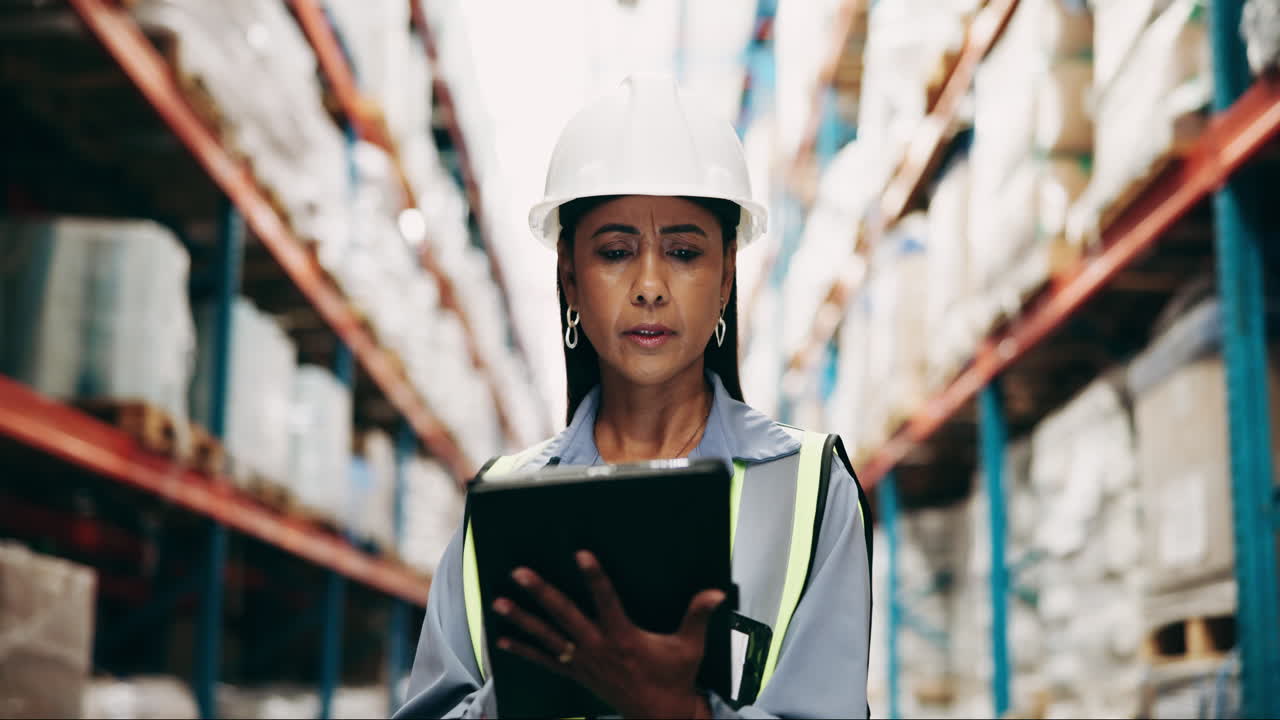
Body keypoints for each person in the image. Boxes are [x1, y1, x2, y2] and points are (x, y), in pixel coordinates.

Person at [394, 73, 871, 719]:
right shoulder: (502, 504)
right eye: (616, 251)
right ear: (569, 275)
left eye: (683, 251)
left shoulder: (812, 487)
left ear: (727, 276)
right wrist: (535, 677)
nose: (649, 285)